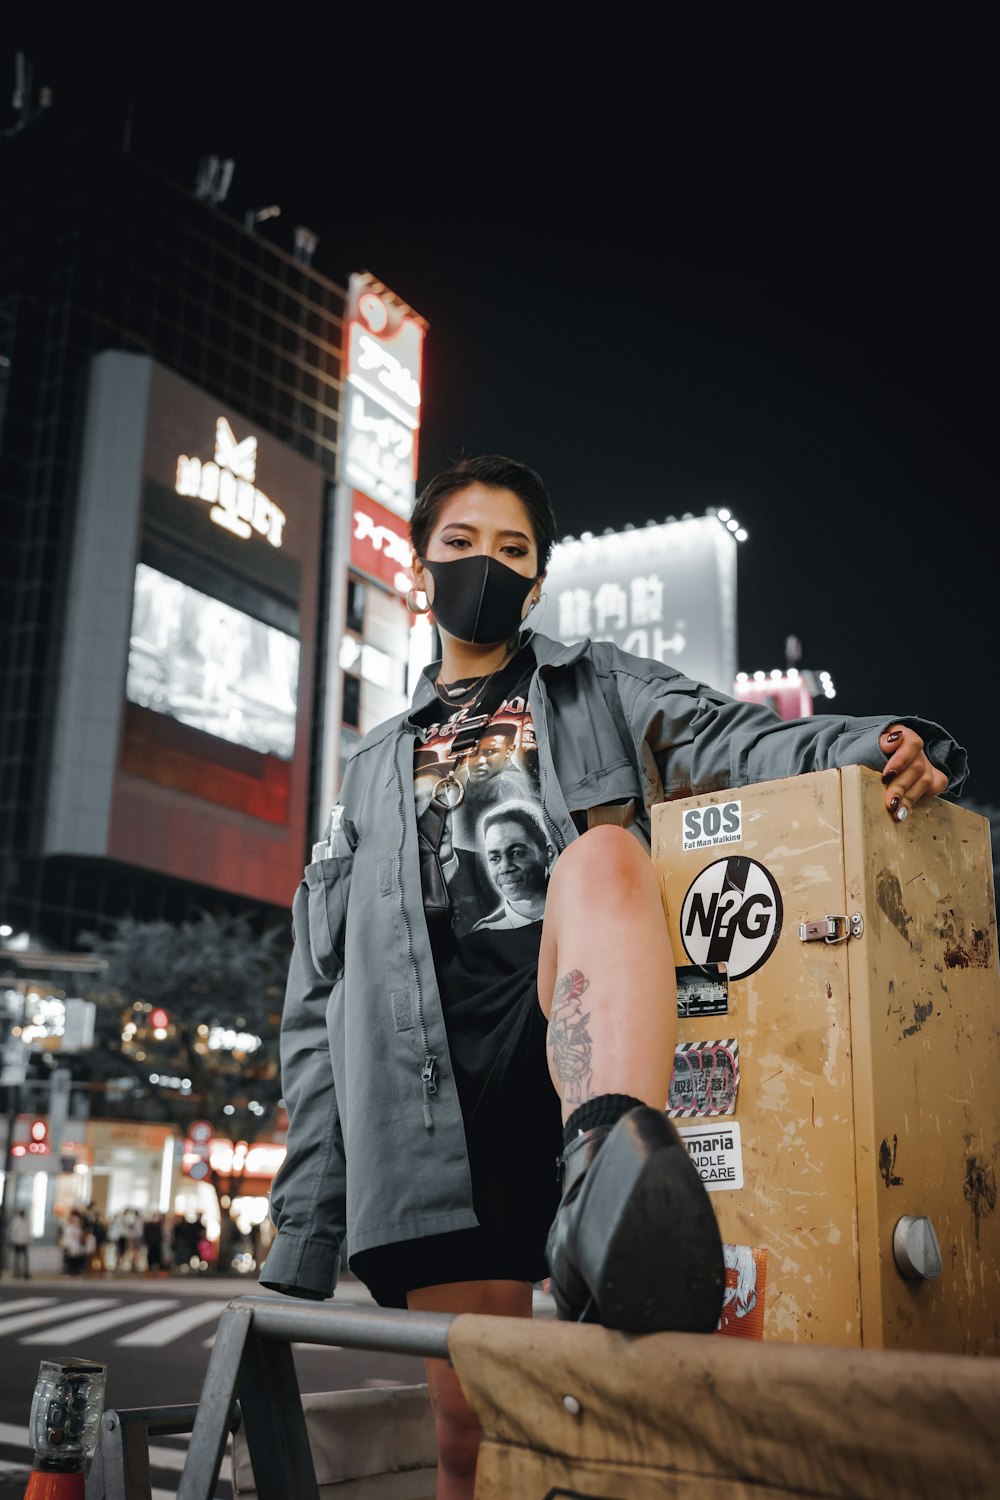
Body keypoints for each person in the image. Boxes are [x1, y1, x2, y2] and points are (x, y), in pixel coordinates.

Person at [261, 454, 966, 1499]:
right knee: (473, 1437)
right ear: (420, 570)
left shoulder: (596, 689)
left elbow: (739, 740)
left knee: (601, 855)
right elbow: (318, 1005)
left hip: (571, 1048)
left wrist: (885, 744)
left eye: (512, 551)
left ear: (538, 582)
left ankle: (612, 1175)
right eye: (460, 546)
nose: (485, 567)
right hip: (426, 1110)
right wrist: (304, 1227)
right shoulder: (363, 776)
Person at [9, 1208, 31, 1280]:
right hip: (17, 1242)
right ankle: (16, 1273)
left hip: (24, 1242)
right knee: (16, 1258)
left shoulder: (26, 1221)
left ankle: (25, 1273)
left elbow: (28, 1232)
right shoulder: (16, 1221)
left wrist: (28, 1241)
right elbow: (12, 1231)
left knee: (25, 1259)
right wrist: (13, 1241)